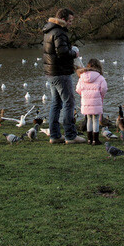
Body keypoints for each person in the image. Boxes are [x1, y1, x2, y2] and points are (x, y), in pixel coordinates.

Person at [42, 8, 86, 144]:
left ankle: (55, 135)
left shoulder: (49, 31)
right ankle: (70, 135)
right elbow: (62, 53)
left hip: (51, 73)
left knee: (56, 103)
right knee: (69, 102)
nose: (71, 24)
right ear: (64, 20)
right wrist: (74, 53)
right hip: (61, 73)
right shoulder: (59, 32)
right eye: (70, 21)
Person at [75, 58, 107, 146]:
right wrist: (100, 95)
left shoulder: (82, 77)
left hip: (86, 102)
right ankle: (95, 140)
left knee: (89, 119)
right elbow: (104, 89)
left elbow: (78, 89)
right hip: (96, 101)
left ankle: (89, 139)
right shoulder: (100, 77)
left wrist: (84, 94)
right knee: (96, 120)